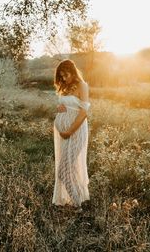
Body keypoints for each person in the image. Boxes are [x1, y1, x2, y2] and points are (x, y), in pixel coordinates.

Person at [52, 59, 90, 208]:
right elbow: (67, 106)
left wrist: (69, 131)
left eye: (66, 75)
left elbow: (84, 112)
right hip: (64, 134)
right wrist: (60, 108)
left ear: (73, 72)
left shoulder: (82, 86)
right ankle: (81, 201)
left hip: (77, 132)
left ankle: (77, 205)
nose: (64, 78)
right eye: (61, 76)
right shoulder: (65, 86)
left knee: (63, 171)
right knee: (70, 169)